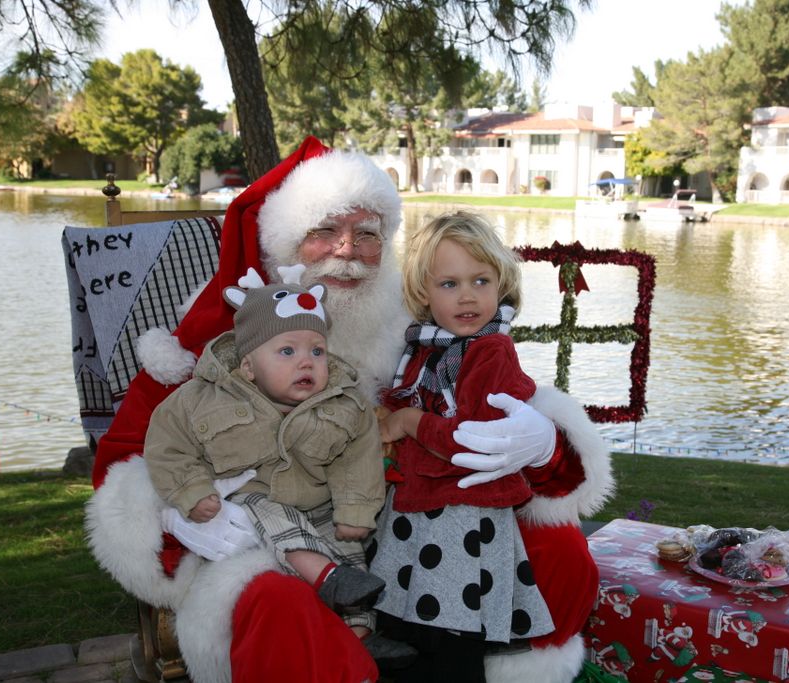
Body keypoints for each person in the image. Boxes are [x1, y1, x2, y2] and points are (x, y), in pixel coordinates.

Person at [86, 136, 613, 683]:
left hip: (403, 516)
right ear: (285, 245)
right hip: (265, 538)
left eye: (367, 234)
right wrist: (181, 512)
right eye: (323, 232)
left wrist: (548, 441)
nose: (348, 249)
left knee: (558, 548)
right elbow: (130, 455)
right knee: (276, 598)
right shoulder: (219, 334)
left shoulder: (411, 321)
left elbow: (492, 407)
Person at [142, 264, 412, 664]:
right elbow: (167, 447)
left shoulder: (345, 403)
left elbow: (358, 459)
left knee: (350, 545)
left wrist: (354, 510)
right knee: (263, 510)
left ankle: (357, 635)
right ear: (248, 366)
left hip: (318, 505)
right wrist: (191, 492)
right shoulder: (199, 399)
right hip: (249, 505)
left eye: (316, 351)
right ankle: (323, 574)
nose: (306, 362)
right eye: (287, 351)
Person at [371, 211, 554, 681]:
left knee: (452, 641)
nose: (468, 295)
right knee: (407, 637)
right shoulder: (426, 350)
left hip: (462, 522)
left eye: (481, 280)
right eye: (449, 284)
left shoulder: (491, 352)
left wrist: (409, 422)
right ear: (423, 292)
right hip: (419, 515)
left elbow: (472, 440)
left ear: (502, 284)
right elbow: (405, 400)